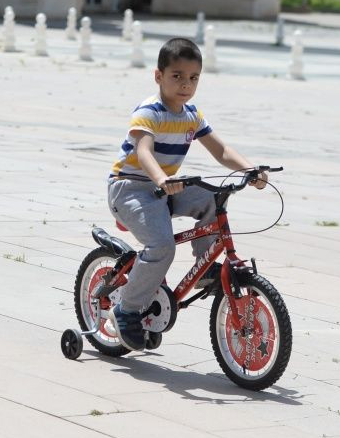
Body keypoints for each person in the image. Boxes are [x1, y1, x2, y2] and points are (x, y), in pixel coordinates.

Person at [105, 37, 267, 351]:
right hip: (130, 188)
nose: (185, 84)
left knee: (212, 198)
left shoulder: (192, 114)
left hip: (166, 187)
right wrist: (161, 179)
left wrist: (250, 169)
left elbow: (222, 150)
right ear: (158, 76)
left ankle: (205, 271)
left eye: (193, 78)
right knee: (162, 245)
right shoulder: (149, 111)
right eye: (177, 76)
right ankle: (126, 308)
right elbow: (144, 151)